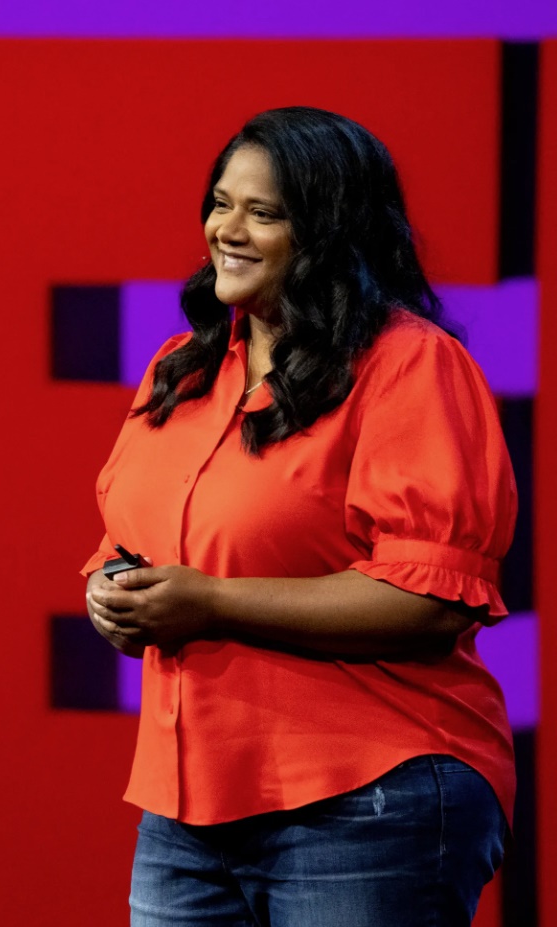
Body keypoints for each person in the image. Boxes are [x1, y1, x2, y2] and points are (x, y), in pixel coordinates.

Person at [82, 107, 517, 926]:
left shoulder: (408, 365)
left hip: (367, 793)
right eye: (220, 203)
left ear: (328, 233)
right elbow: (133, 541)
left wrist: (210, 602)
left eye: (264, 212)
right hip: (185, 807)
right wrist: (114, 592)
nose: (227, 229)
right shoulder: (181, 370)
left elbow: (431, 599)